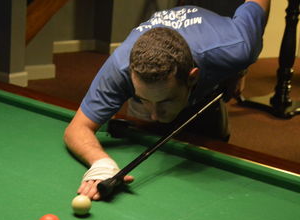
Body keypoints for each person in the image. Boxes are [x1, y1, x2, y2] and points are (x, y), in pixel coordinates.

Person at [64, 0, 270, 200]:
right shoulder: (120, 67)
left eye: (165, 101)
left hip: (206, 86)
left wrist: (239, 70)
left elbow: (258, 3)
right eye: (144, 98)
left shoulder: (237, 47)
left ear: (192, 77)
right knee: (145, 123)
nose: (154, 113)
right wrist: (101, 163)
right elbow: (77, 128)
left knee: (213, 146)